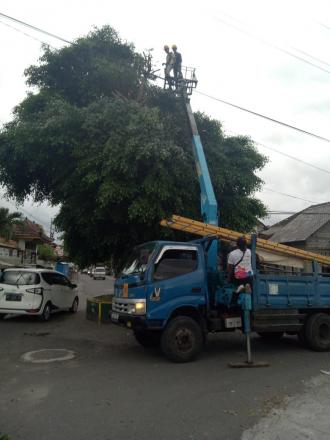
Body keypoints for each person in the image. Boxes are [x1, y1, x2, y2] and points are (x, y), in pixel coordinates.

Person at [227, 236, 253, 304]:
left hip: (239, 278)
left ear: (237, 244)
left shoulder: (232, 254)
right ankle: (244, 286)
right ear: (245, 244)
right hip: (249, 277)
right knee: (249, 287)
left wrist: (228, 279)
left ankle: (233, 302)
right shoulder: (249, 252)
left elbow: (229, 269)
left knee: (235, 283)